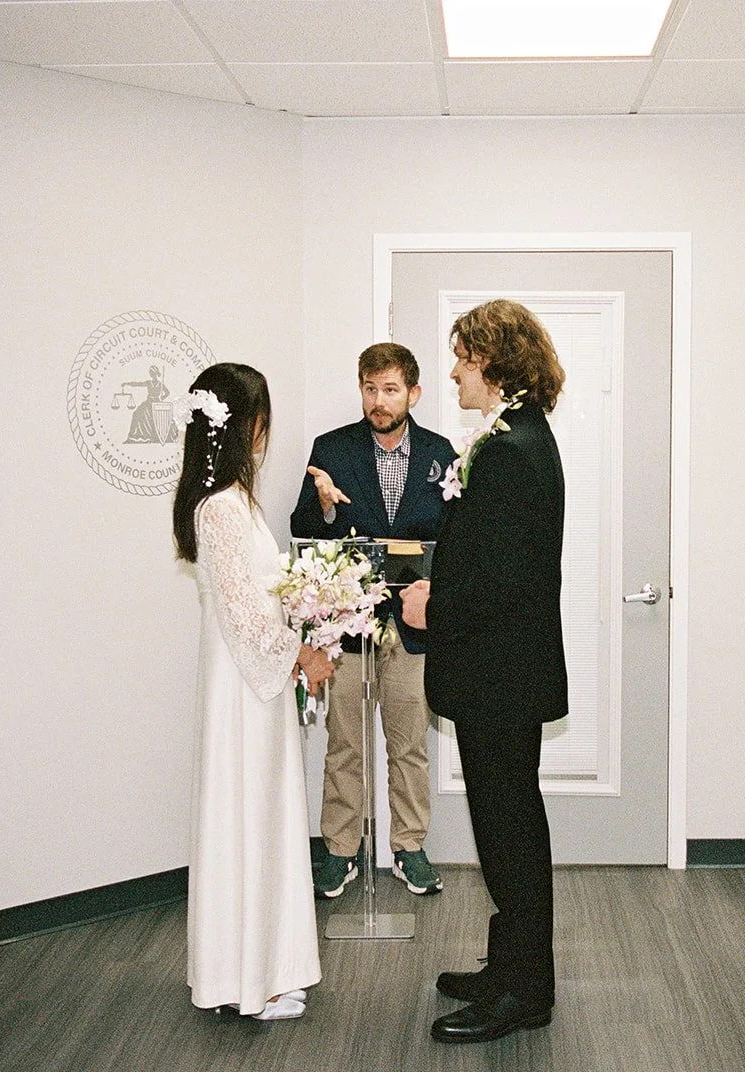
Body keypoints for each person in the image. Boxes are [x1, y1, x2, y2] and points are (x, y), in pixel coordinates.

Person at [400, 300, 567, 1045]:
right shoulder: (515, 436)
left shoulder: (509, 447)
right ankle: (510, 968)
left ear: (493, 360)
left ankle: (525, 992)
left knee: (511, 832)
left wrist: (433, 605)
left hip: (500, 674)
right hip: (504, 673)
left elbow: (501, 579)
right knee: (506, 827)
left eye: (462, 354)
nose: (454, 368)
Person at [172, 362, 333, 1021]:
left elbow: (259, 602)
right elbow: (244, 614)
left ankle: (260, 966)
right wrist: (298, 654)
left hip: (250, 684)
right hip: (243, 690)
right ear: (250, 427)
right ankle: (247, 979)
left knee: (258, 817)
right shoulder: (222, 510)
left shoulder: (233, 503)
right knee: (247, 816)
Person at [290, 343, 458, 898]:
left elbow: (457, 538)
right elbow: (303, 531)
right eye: (369, 388)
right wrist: (326, 506)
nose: (378, 401)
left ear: (413, 393)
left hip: (413, 626)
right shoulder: (330, 450)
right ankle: (341, 852)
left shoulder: (441, 453)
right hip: (348, 625)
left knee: (409, 742)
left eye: (389, 390)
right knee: (345, 743)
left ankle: (409, 848)